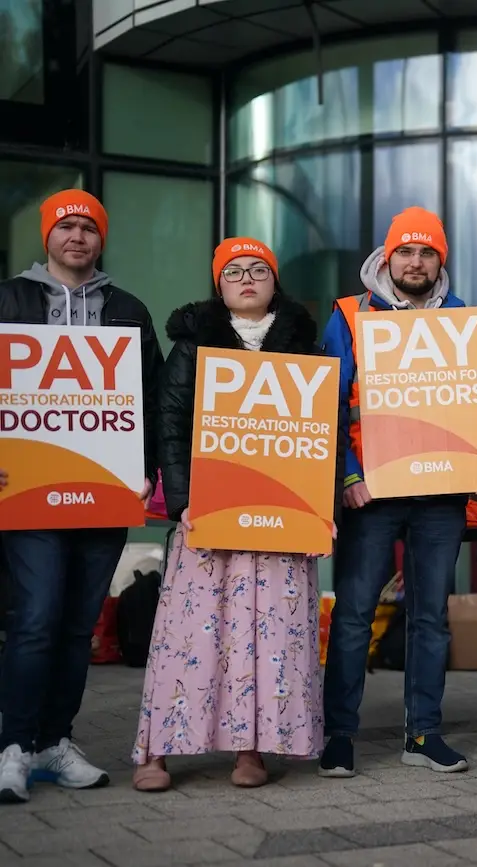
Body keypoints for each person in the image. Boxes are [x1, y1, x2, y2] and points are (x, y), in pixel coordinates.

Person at [132, 237, 337, 792]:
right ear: (219, 286)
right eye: (234, 272)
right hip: (209, 515)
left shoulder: (305, 349)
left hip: (281, 519)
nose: (247, 279)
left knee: (269, 638)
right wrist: (181, 501)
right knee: (187, 635)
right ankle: (155, 750)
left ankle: (251, 749)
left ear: (274, 282)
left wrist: (320, 509)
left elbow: (323, 435)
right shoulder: (192, 346)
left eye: (258, 270)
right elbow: (170, 428)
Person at [319, 207, 477, 777]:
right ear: (388, 256)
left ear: (440, 260)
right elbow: (326, 398)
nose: (417, 261)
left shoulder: (460, 320)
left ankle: (423, 734)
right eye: (407, 251)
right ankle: (339, 736)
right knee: (354, 614)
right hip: (371, 491)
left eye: (428, 252)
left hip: (442, 494)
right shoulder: (350, 315)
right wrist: (347, 474)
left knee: (431, 617)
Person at [0, 191, 163, 804]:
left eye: (89, 227)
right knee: (35, 620)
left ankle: (52, 742)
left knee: (74, 628)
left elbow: (146, 400)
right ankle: (12, 746)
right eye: (66, 226)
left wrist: (144, 469)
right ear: (48, 235)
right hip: (30, 490)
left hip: (105, 489)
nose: (77, 237)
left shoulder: (127, 309)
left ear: (101, 238)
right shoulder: (9, 300)